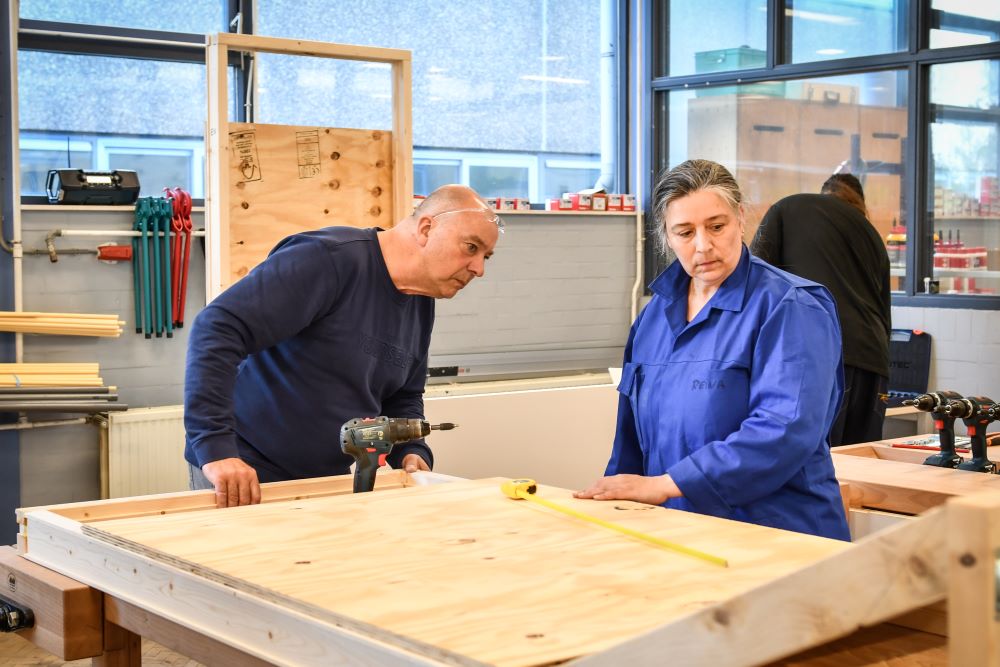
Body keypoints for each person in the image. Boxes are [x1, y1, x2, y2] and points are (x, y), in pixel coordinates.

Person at [574, 159, 850, 541]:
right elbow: (631, 441)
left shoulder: (790, 306)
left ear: (740, 218)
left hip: (778, 532)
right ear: (666, 237)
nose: (703, 245)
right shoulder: (654, 317)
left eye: (716, 226)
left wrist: (669, 484)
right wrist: (617, 507)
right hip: (680, 532)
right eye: (685, 232)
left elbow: (784, 428)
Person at [184, 184, 502, 508]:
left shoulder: (420, 298)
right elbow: (218, 329)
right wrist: (216, 449)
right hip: (245, 470)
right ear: (426, 228)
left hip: (327, 478)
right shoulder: (328, 260)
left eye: (485, 256)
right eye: (471, 247)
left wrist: (411, 452)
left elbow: (403, 394)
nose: (479, 269)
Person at [751, 174, 891, 446]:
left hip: (823, 353)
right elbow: (885, 314)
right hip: (874, 361)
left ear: (825, 193)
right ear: (860, 204)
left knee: (818, 457)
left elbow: (754, 278)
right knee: (862, 459)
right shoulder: (872, 236)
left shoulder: (789, 208)